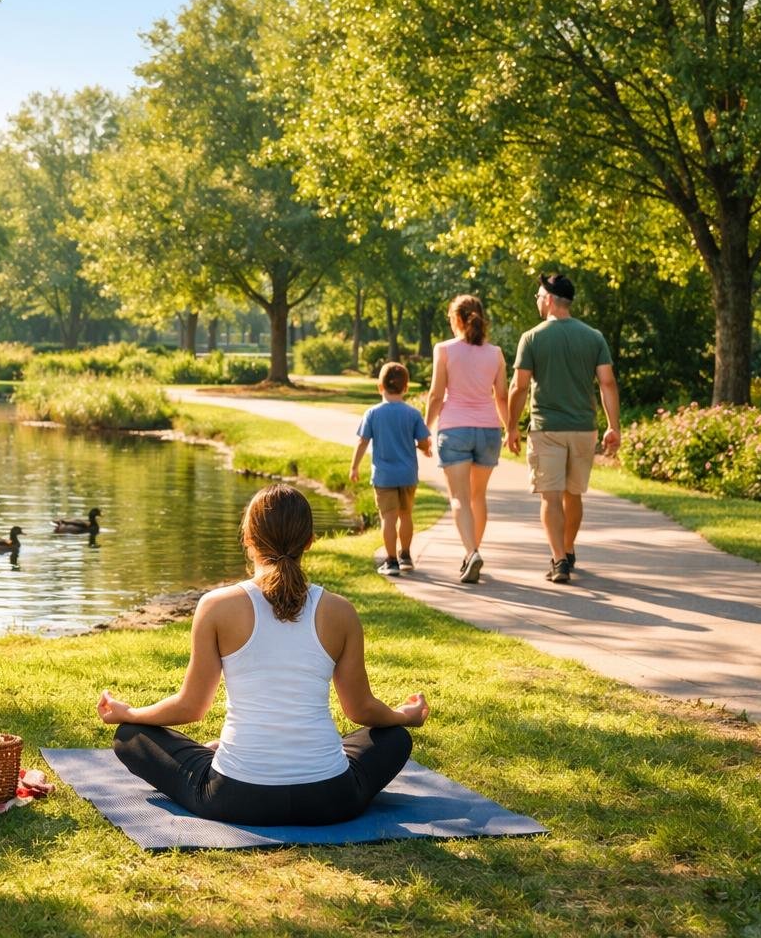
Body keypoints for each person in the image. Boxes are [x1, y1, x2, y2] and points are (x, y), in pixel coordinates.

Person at [96, 484, 429, 826]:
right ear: (310, 541)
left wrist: (130, 712)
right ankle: (307, 757)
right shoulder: (341, 611)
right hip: (331, 798)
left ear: (248, 539)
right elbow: (361, 710)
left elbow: (191, 707)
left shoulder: (216, 607)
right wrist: (405, 716)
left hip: (236, 797)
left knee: (130, 736)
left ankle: (222, 754)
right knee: (394, 737)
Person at [506, 273, 621, 584]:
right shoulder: (594, 337)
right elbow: (607, 382)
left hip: (547, 429)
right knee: (574, 494)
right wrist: (613, 426)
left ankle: (559, 561)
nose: (538, 301)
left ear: (551, 300)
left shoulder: (532, 337)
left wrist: (511, 428)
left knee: (550, 496)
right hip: (584, 428)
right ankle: (568, 550)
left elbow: (518, 386)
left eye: (539, 296)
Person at [424, 295, 511, 584]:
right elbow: (500, 396)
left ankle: (471, 551)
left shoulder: (444, 350)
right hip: (488, 430)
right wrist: (511, 428)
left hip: (455, 429)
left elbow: (436, 395)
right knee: (478, 497)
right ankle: (472, 552)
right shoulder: (495, 353)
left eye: (450, 318)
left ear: (458, 319)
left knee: (459, 498)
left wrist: (425, 429)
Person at [350, 361, 432, 576]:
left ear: (380, 387)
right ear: (406, 388)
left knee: (388, 518)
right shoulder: (412, 414)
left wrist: (354, 467)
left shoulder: (373, 413)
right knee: (406, 515)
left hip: (384, 476)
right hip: (407, 475)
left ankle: (391, 560)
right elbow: (424, 441)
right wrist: (423, 448)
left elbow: (362, 442)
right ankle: (405, 555)